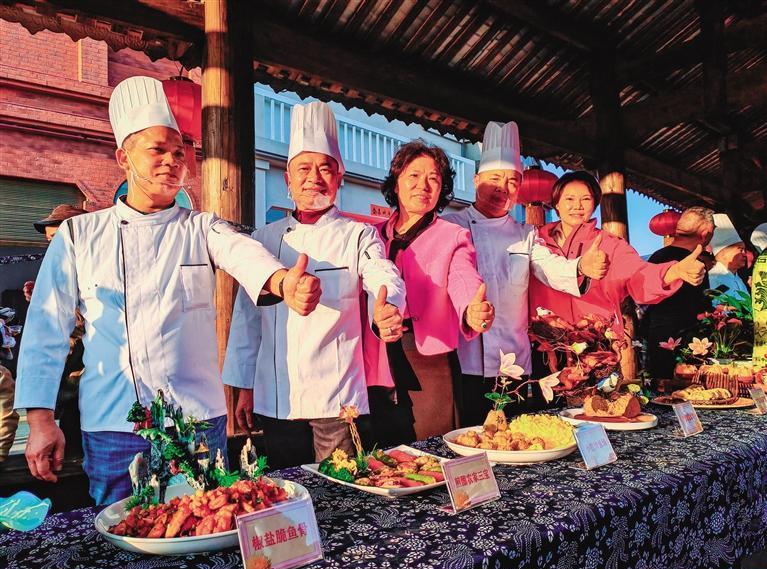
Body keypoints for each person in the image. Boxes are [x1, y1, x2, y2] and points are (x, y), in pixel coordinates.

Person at [14, 76, 322, 505]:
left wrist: (282, 281)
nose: (172, 161)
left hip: (198, 422)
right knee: (124, 526)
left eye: (179, 152)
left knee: (207, 520)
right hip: (114, 426)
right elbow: (46, 329)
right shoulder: (79, 235)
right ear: (124, 158)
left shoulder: (201, 227)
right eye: (157, 150)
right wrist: (40, 419)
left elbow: (243, 253)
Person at [222, 101, 406, 470]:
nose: (314, 178)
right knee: (289, 489)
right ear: (287, 179)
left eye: (325, 168)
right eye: (304, 168)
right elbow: (246, 320)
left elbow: (380, 272)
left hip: (337, 396)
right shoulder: (262, 239)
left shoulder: (358, 234)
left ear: (339, 178)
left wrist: (387, 305)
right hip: (277, 396)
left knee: (341, 488)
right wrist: (244, 388)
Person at [442, 122, 608, 425]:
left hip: (513, 360)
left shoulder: (526, 234)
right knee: (469, 436)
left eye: (512, 181)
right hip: (465, 358)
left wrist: (580, 266)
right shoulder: (451, 226)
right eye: (494, 178)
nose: (502, 188)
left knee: (515, 435)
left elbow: (548, 265)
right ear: (476, 180)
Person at [367, 139, 495, 444]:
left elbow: (463, 276)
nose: (423, 185)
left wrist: (472, 309)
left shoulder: (453, 235)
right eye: (413, 175)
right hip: (377, 353)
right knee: (383, 451)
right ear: (396, 183)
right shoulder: (371, 235)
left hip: (429, 357)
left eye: (433, 178)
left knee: (434, 447)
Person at [530, 171, 706, 345]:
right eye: (569, 199)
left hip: (596, 344)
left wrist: (674, 271)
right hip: (541, 342)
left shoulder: (610, 245)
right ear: (557, 203)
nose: (578, 206)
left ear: (595, 204)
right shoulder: (533, 241)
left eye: (586, 199)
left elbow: (639, 275)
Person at [25, 204, 90, 458]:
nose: (52, 246)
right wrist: (42, 298)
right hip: (69, 379)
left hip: (89, 378)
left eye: (56, 238)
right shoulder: (60, 268)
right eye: (50, 240)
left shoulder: (97, 266)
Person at [643, 207, 715, 379]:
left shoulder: (656, 256)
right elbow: (702, 308)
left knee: (659, 389)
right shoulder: (695, 264)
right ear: (705, 234)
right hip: (686, 343)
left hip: (656, 336)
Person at [708, 213, 749, 299]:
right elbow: (711, 303)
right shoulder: (714, 278)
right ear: (723, 253)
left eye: (744, 250)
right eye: (740, 249)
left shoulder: (738, 278)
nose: (744, 254)